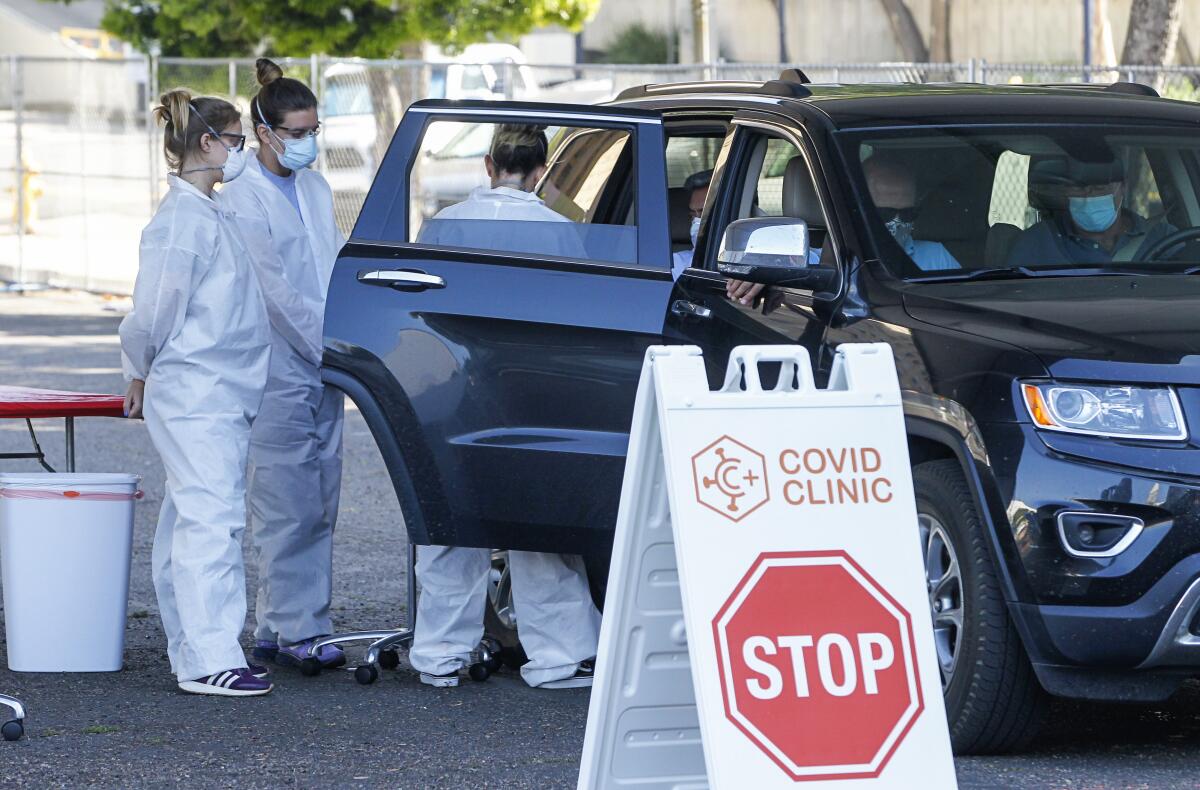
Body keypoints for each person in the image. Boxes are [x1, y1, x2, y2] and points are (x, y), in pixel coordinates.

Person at [410, 124, 601, 690]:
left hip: (452, 387)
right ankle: (560, 655)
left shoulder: (443, 226)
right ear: (541, 172)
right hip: (529, 390)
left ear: (487, 165)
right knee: (536, 523)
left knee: (450, 521)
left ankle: (440, 655)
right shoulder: (563, 231)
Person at [119, 90, 273, 697]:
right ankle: (211, 656)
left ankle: (193, 650)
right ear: (207, 143)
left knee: (191, 516)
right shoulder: (182, 221)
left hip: (215, 391)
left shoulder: (206, 213)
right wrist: (138, 367)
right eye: (235, 142)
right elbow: (152, 314)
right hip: (198, 392)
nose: (240, 153)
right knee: (213, 519)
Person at [221, 59, 348, 672]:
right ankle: (302, 626)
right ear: (266, 132)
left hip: (326, 358)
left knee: (321, 493)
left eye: (313, 130)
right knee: (287, 499)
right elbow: (275, 293)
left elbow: (327, 271)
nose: (308, 144)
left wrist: (340, 347)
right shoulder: (241, 199)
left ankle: (276, 621)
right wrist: (329, 348)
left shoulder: (317, 189)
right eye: (296, 133)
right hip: (277, 362)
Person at [727, 152, 959, 304]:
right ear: (855, 207)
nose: (898, 222)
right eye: (886, 213)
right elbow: (751, 284)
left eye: (908, 213)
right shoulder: (801, 260)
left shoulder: (937, 257)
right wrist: (762, 271)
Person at [1006, 156, 1174, 266]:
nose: (1089, 195)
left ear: (1123, 187)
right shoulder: (1036, 242)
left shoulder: (1164, 239)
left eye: (1099, 187)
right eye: (1078, 188)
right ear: (1065, 191)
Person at [672, 169, 712, 278]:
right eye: (693, 215)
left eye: (703, 213)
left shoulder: (752, 258)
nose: (696, 221)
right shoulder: (675, 265)